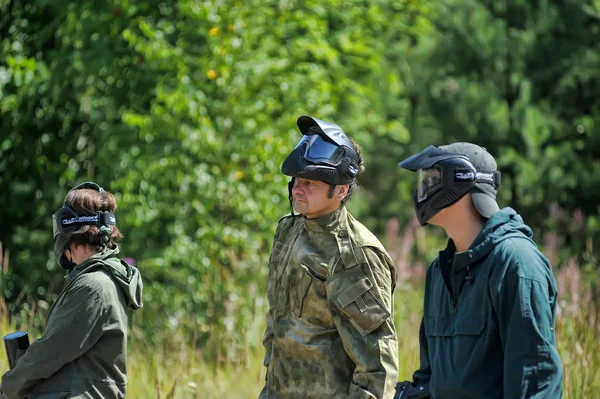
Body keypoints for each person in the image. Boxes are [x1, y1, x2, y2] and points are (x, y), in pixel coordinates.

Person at [397, 142, 563, 398]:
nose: (423, 190)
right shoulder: (439, 271)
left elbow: (535, 383)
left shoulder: (516, 262)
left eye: (432, 180)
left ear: (459, 180)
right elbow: (431, 379)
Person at [259, 116, 399, 399]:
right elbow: (278, 329)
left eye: (310, 183)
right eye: (297, 179)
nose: (298, 188)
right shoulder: (288, 231)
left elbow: (376, 363)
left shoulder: (357, 254)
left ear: (342, 190)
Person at [1, 182, 144, 399]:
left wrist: (8, 388)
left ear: (68, 231)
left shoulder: (94, 286)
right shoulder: (101, 280)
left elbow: (48, 353)